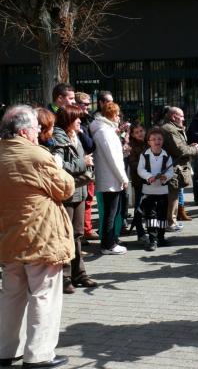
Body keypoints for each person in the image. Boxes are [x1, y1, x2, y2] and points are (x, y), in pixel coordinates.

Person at [0, 105, 73, 368]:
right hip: (41, 236)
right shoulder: (36, 155)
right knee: (44, 293)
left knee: (11, 293)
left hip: (8, 236)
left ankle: (6, 350)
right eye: (35, 128)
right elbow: (65, 188)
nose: (38, 132)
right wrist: (59, 165)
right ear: (23, 131)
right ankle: (39, 354)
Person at [53, 106, 98, 293]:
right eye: (77, 119)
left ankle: (79, 273)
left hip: (79, 191)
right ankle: (64, 277)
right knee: (66, 236)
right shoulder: (58, 138)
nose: (81, 122)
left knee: (77, 234)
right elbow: (58, 165)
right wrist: (84, 163)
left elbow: (90, 148)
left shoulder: (75, 136)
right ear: (69, 120)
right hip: (67, 193)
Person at [90, 102, 129, 255]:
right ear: (112, 115)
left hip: (111, 176)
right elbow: (112, 158)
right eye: (117, 114)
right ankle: (108, 244)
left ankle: (110, 240)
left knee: (111, 212)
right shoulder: (103, 131)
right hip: (110, 178)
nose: (119, 117)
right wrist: (123, 177)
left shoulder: (105, 129)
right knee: (110, 213)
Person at [162, 106, 198, 230]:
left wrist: (190, 146)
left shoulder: (173, 128)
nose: (184, 119)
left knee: (174, 195)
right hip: (172, 169)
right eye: (182, 116)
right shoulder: (169, 129)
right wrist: (194, 149)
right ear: (174, 117)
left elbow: (181, 146)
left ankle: (171, 221)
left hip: (174, 168)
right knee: (172, 196)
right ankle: (170, 223)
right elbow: (180, 150)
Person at [137, 128, 174, 251]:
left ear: (162, 141)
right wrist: (149, 177)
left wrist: (165, 177)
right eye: (154, 139)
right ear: (149, 142)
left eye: (159, 139)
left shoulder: (167, 155)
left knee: (162, 215)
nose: (157, 141)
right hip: (148, 190)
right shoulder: (144, 155)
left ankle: (161, 237)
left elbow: (170, 171)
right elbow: (140, 170)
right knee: (151, 216)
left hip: (162, 191)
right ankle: (152, 239)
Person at [74, 92, 99, 241]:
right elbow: (89, 145)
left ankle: (86, 229)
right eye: (85, 104)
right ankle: (84, 231)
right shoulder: (77, 122)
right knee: (83, 200)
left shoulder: (88, 120)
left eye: (89, 104)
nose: (88, 107)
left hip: (88, 165)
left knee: (88, 199)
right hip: (79, 167)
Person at [127, 122, 148, 243]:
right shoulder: (132, 146)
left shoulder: (149, 142)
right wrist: (145, 167)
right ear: (133, 135)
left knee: (150, 206)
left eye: (141, 131)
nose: (140, 134)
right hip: (139, 180)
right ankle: (140, 233)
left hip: (151, 180)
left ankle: (151, 230)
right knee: (139, 206)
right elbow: (133, 163)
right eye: (137, 132)